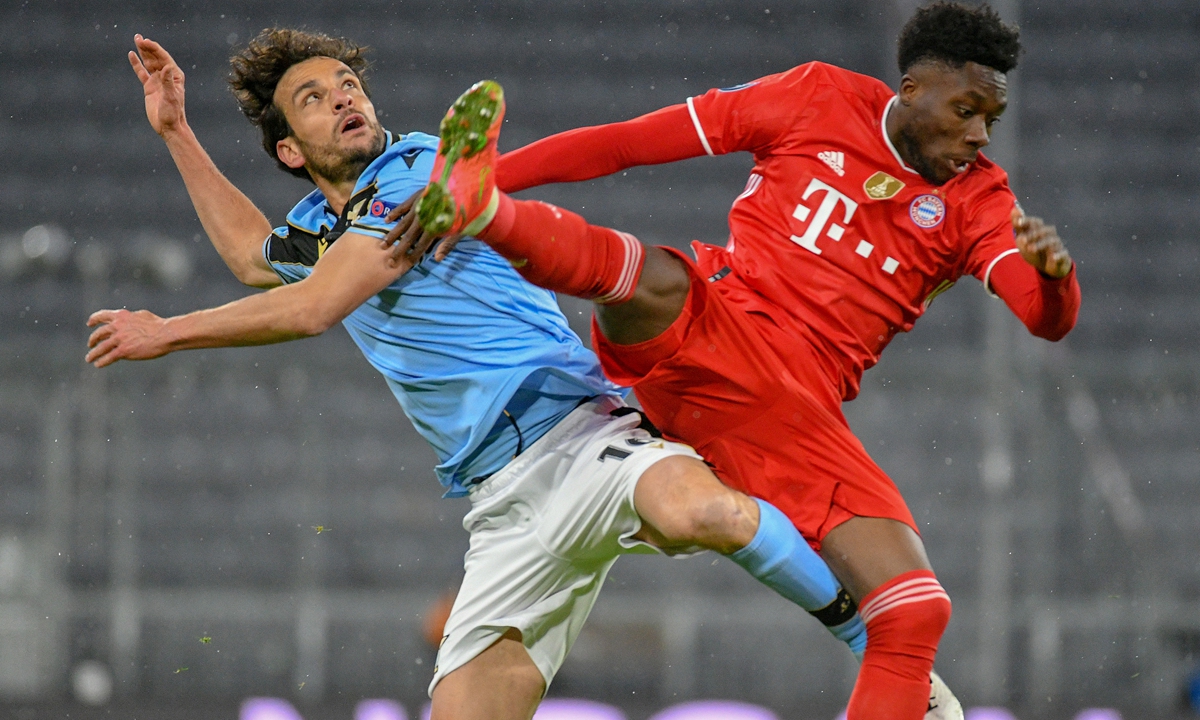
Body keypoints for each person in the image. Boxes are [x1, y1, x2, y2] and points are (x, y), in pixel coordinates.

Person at [84, 29, 922, 720]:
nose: (344, 96)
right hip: (499, 500)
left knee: (697, 509)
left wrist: (168, 331)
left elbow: (315, 307)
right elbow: (250, 258)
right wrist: (174, 131)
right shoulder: (315, 226)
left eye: (348, 83)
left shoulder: (418, 172)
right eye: (315, 97)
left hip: (579, 426)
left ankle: (882, 654)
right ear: (289, 152)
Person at [396, 2, 1080, 718]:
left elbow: (1041, 315)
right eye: (966, 110)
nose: (977, 135)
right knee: (653, 276)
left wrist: (1056, 279)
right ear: (911, 89)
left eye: (990, 121)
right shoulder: (816, 98)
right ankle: (485, 210)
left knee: (915, 612)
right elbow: (629, 143)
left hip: (789, 410)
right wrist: (497, 176)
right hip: (709, 328)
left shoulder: (979, 200)